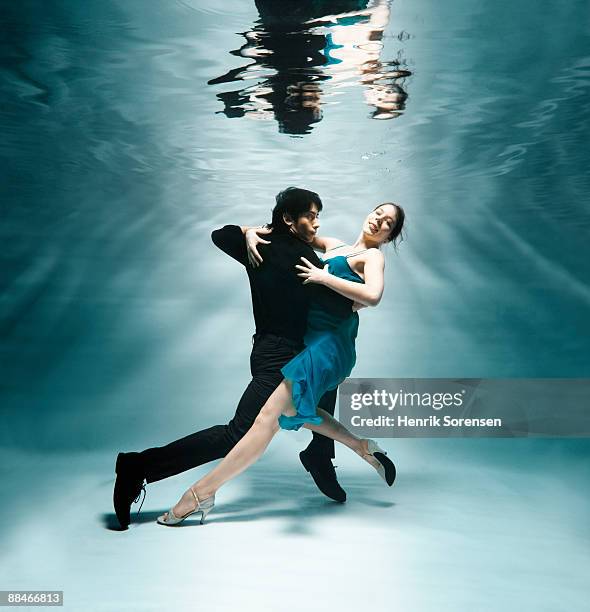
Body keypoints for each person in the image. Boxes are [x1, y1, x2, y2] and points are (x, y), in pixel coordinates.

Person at [113, 187, 354, 530]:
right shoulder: (306, 260)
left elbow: (219, 234)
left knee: (327, 374)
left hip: (273, 348)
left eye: (318, 216)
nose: (316, 224)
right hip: (280, 357)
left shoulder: (260, 244)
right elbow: (343, 306)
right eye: (310, 216)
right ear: (289, 218)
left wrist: (249, 231)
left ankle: (319, 453)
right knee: (237, 434)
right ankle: (137, 467)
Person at [157, 202, 405, 526]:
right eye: (378, 214)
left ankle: (199, 494)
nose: (378, 222)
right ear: (369, 213)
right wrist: (247, 233)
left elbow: (373, 295)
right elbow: (286, 232)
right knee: (293, 412)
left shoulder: (374, 257)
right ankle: (363, 447)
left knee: (266, 422)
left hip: (328, 347)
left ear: (389, 235)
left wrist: (322, 277)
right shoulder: (334, 244)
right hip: (313, 342)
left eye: (387, 223)